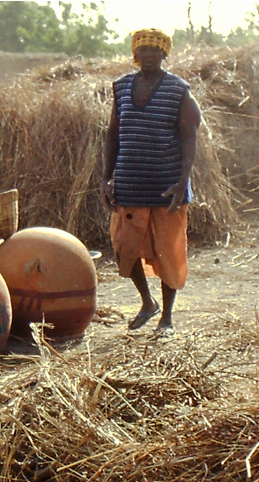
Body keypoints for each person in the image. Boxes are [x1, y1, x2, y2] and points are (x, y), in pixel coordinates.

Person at [102, 28, 201, 337]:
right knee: (125, 248)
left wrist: (183, 179)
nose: (148, 55)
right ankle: (148, 302)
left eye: (154, 51)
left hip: (167, 186)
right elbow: (113, 133)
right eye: (142, 51)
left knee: (167, 253)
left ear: (164, 54)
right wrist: (106, 178)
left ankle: (167, 318)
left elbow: (190, 135)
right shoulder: (121, 88)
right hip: (130, 182)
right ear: (135, 54)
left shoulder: (178, 89)